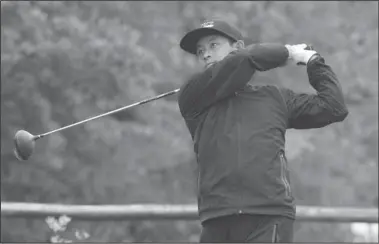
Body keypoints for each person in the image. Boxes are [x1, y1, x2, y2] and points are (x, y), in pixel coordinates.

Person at [177, 19, 349, 243]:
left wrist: (313, 62)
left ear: (237, 46)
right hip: (217, 219)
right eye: (200, 51)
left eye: (213, 45)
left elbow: (334, 107)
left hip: (269, 217)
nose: (205, 55)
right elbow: (243, 60)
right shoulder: (192, 96)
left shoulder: (274, 97)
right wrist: (287, 52)